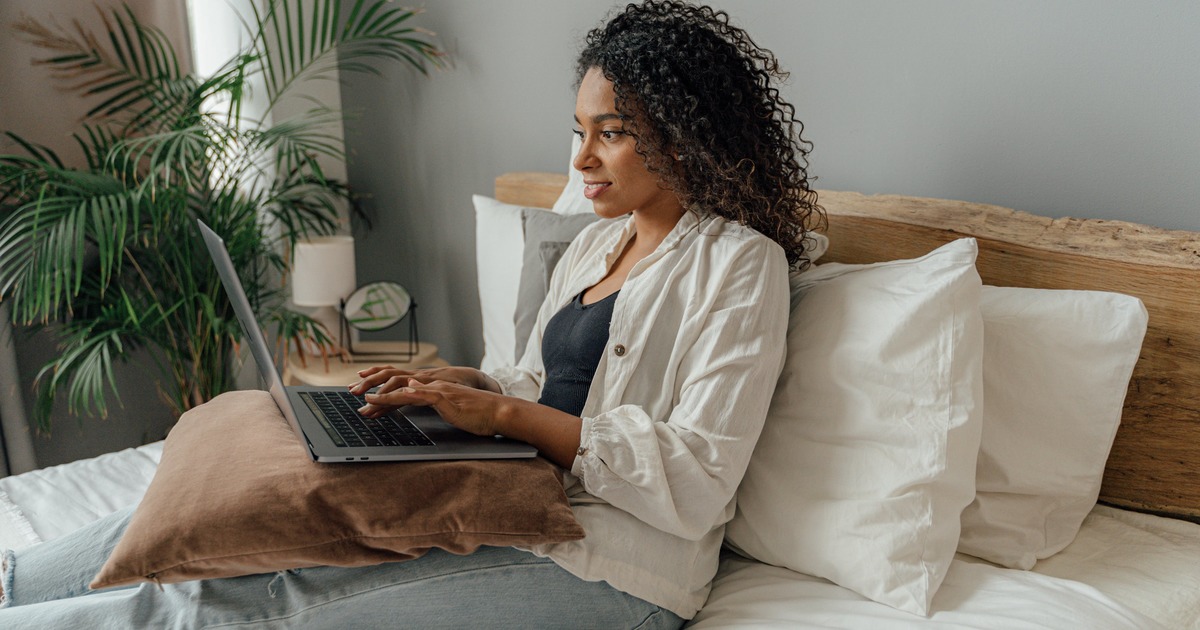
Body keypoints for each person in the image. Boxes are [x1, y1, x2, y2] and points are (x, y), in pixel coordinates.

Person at [0, 1, 822, 627]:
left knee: (247, 597)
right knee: (190, 516)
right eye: (578, 131)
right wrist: (458, 385)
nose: (580, 160)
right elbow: (546, 382)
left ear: (684, 135)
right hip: (511, 498)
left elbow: (700, 477)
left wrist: (500, 411)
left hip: (615, 570)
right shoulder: (591, 249)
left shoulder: (737, 263)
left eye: (610, 134)